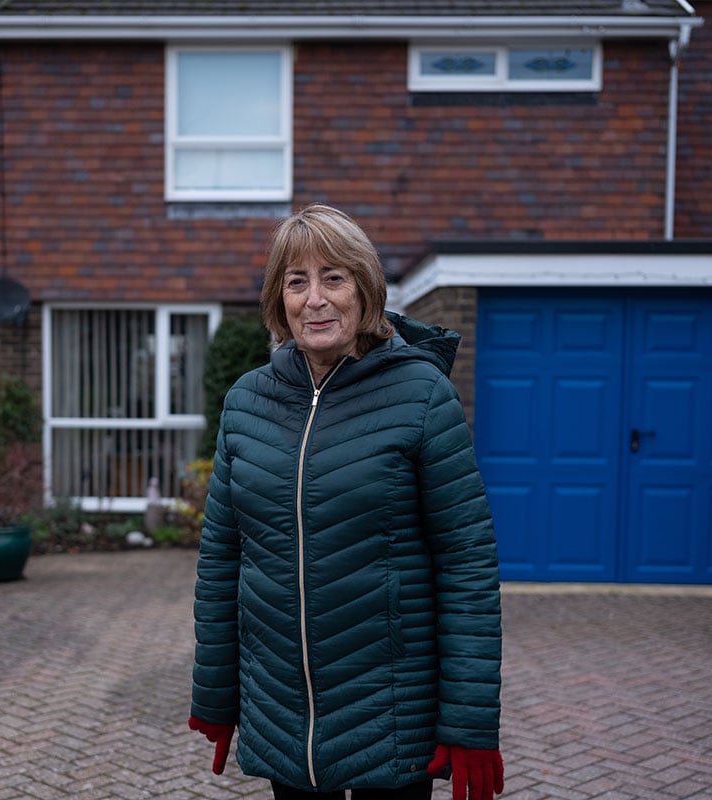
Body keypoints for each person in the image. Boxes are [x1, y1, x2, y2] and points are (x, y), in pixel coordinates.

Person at [189, 203, 504, 800]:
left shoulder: (421, 395)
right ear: (278, 299)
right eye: (296, 281)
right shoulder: (246, 403)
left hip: (392, 712)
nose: (315, 299)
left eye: (333, 277)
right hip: (282, 713)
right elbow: (222, 559)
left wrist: (468, 722)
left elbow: (466, 562)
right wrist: (216, 695)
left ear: (365, 289)